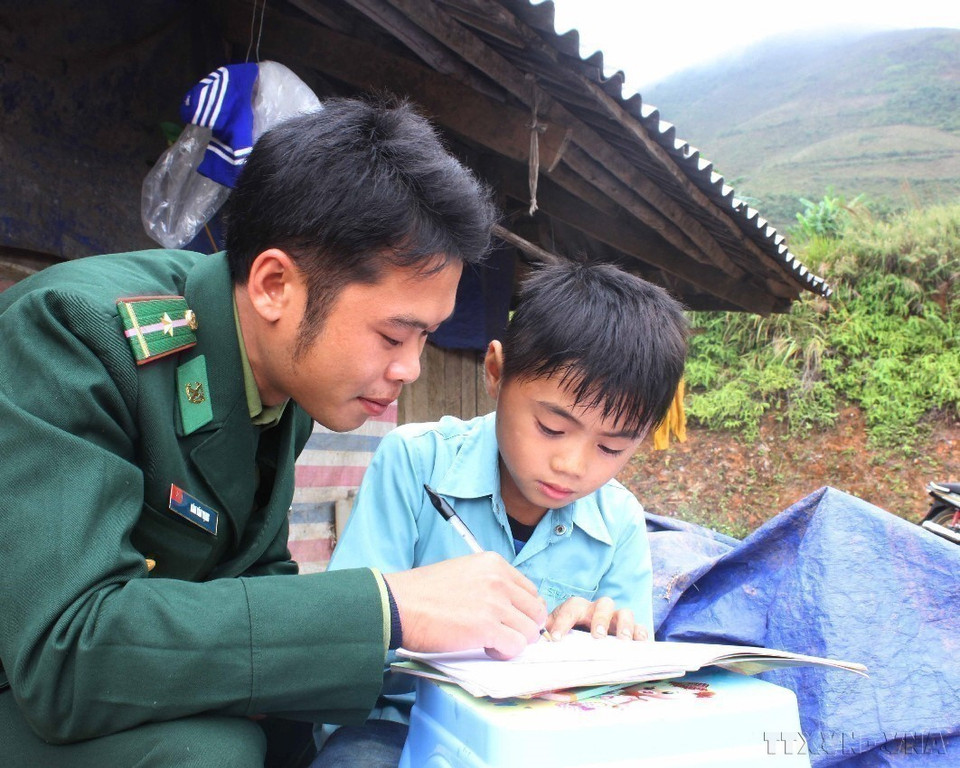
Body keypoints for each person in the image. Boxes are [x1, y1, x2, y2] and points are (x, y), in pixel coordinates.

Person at [0, 97, 548, 767]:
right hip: (29, 680)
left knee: (315, 730)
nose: (409, 368)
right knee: (212, 752)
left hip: (99, 684)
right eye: (392, 334)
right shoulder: (75, 335)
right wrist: (387, 607)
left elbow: (252, 571)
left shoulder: (280, 374)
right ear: (274, 286)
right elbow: (64, 650)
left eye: (426, 337)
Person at [313, 261, 689, 767]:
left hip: (545, 738)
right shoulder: (415, 462)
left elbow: (627, 697)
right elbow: (341, 640)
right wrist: (417, 614)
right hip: (397, 727)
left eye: (611, 448)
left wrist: (608, 644)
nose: (571, 465)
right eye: (552, 428)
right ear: (496, 372)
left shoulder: (619, 520)